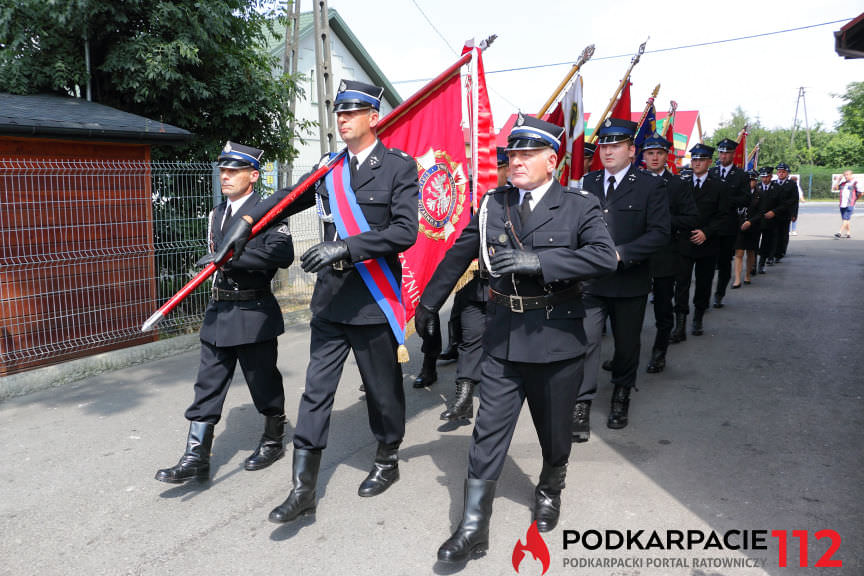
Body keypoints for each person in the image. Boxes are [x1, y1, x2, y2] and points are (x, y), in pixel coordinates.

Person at [414, 114, 617, 563]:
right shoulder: (492, 204)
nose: (517, 162)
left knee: (554, 428)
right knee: (488, 432)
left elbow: (604, 258)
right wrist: (428, 304)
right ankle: (472, 528)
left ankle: (550, 486)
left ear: (553, 159)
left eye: (527, 154)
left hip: (556, 337)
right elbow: (457, 255)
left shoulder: (579, 206)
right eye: (512, 154)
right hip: (503, 336)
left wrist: (539, 263)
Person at [219, 80, 420, 521]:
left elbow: (405, 232)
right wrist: (246, 223)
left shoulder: (398, 168)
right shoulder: (330, 168)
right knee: (316, 394)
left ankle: (387, 458)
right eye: (339, 113)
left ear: (373, 116)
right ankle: (303, 489)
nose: (343, 119)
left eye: (352, 112)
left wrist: (347, 247)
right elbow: (285, 200)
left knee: (383, 393)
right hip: (330, 302)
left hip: (373, 300)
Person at [155, 142, 295, 484]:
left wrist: (229, 258)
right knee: (208, 384)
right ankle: (196, 456)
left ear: (254, 175)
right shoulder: (217, 214)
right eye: (223, 170)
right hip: (220, 310)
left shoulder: (268, 210)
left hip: (253, 310)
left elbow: (279, 255)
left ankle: (274, 438)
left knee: (262, 382)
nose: (226, 176)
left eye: (234, 170)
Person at [573, 118, 670, 435]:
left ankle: (621, 394)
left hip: (630, 282)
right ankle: (581, 404)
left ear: (632, 150)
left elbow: (659, 234)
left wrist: (621, 253)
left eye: (615, 145)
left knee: (627, 346)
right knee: (585, 343)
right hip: (591, 282)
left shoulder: (650, 185)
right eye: (604, 145)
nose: (607, 151)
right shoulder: (587, 184)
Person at [641, 133, 698, 374]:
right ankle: (626, 354)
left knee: (663, 308)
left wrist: (662, 221)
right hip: (637, 254)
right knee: (630, 309)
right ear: (643, 156)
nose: (655, 157)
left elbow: (691, 218)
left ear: (667, 156)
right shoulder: (634, 181)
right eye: (650, 153)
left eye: (659, 153)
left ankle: (659, 352)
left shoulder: (678, 184)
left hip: (666, 253)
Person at [671, 144, 729, 340]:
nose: (696, 163)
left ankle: (698, 317)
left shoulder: (719, 186)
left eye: (701, 160)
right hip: (684, 241)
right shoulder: (682, 183)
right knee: (681, 284)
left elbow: (723, 216)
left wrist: (707, 232)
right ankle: (680, 324)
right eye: (694, 159)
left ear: (709, 162)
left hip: (708, 243)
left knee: (704, 284)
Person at [709, 138, 749, 308]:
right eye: (721, 152)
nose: (724, 156)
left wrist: (726, 200)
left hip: (728, 225)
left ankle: (719, 293)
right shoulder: (711, 172)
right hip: (710, 225)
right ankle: (704, 295)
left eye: (727, 153)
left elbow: (745, 198)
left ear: (733, 154)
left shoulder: (741, 175)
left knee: (725, 262)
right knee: (708, 262)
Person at [731, 170, 761, 287]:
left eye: (752, 180)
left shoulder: (759, 195)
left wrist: (750, 222)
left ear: (755, 181)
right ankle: (737, 279)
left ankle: (747, 275)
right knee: (738, 253)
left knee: (750, 252)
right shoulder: (738, 193)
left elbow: (761, 212)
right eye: (747, 180)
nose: (750, 183)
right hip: (739, 227)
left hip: (753, 227)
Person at [756, 166, 780, 273]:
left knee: (766, 243)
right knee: (754, 243)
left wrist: (774, 212)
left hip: (770, 220)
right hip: (757, 220)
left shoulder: (777, 188)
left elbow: (783, 204)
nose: (765, 179)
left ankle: (761, 263)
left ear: (771, 176)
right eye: (763, 177)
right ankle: (752, 265)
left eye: (767, 177)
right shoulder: (756, 187)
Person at [772, 162, 798, 262]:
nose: (781, 174)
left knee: (783, 234)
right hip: (774, 213)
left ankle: (780, 252)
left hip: (785, 214)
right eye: (779, 172)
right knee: (774, 233)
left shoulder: (792, 184)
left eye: (783, 172)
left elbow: (795, 201)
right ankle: (773, 252)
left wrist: (794, 214)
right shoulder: (773, 183)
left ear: (787, 173)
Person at [833, 170, 859, 238]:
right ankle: (848, 233)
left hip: (850, 204)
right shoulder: (843, 183)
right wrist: (838, 180)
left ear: (851, 175)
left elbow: (861, 192)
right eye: (845, 175)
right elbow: (835, 188)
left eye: (847, 175)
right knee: (845, 219)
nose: (846, 176)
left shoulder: (855, 182)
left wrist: (855, 199)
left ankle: (839, 232)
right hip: (842, 204)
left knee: (845, 218)